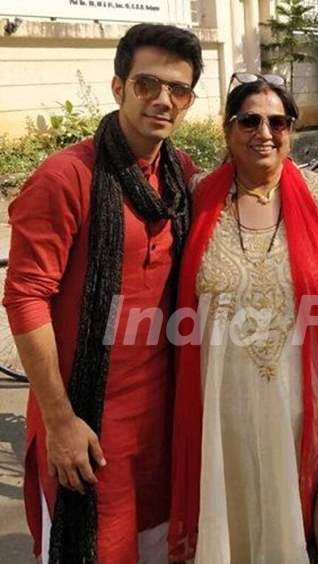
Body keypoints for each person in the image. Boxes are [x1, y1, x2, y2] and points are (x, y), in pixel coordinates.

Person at [4, 24, 202, 563]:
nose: (162, 100)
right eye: (147, 84)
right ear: (118, 87)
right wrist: (60, 421)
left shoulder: (180, 176)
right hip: (89, 422)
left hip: (163, 419)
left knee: (160, 548)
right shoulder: (66, 177)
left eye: (178, 90)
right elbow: (25, 298)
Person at [168, 74, 318, 563]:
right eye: (250, 120)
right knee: (228, 496)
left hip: (298, 388)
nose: (264, 132)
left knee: (293, 504)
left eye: (277, 121)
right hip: (219, 392)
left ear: (291, 131)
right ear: (228, 129)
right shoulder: (197, 197)